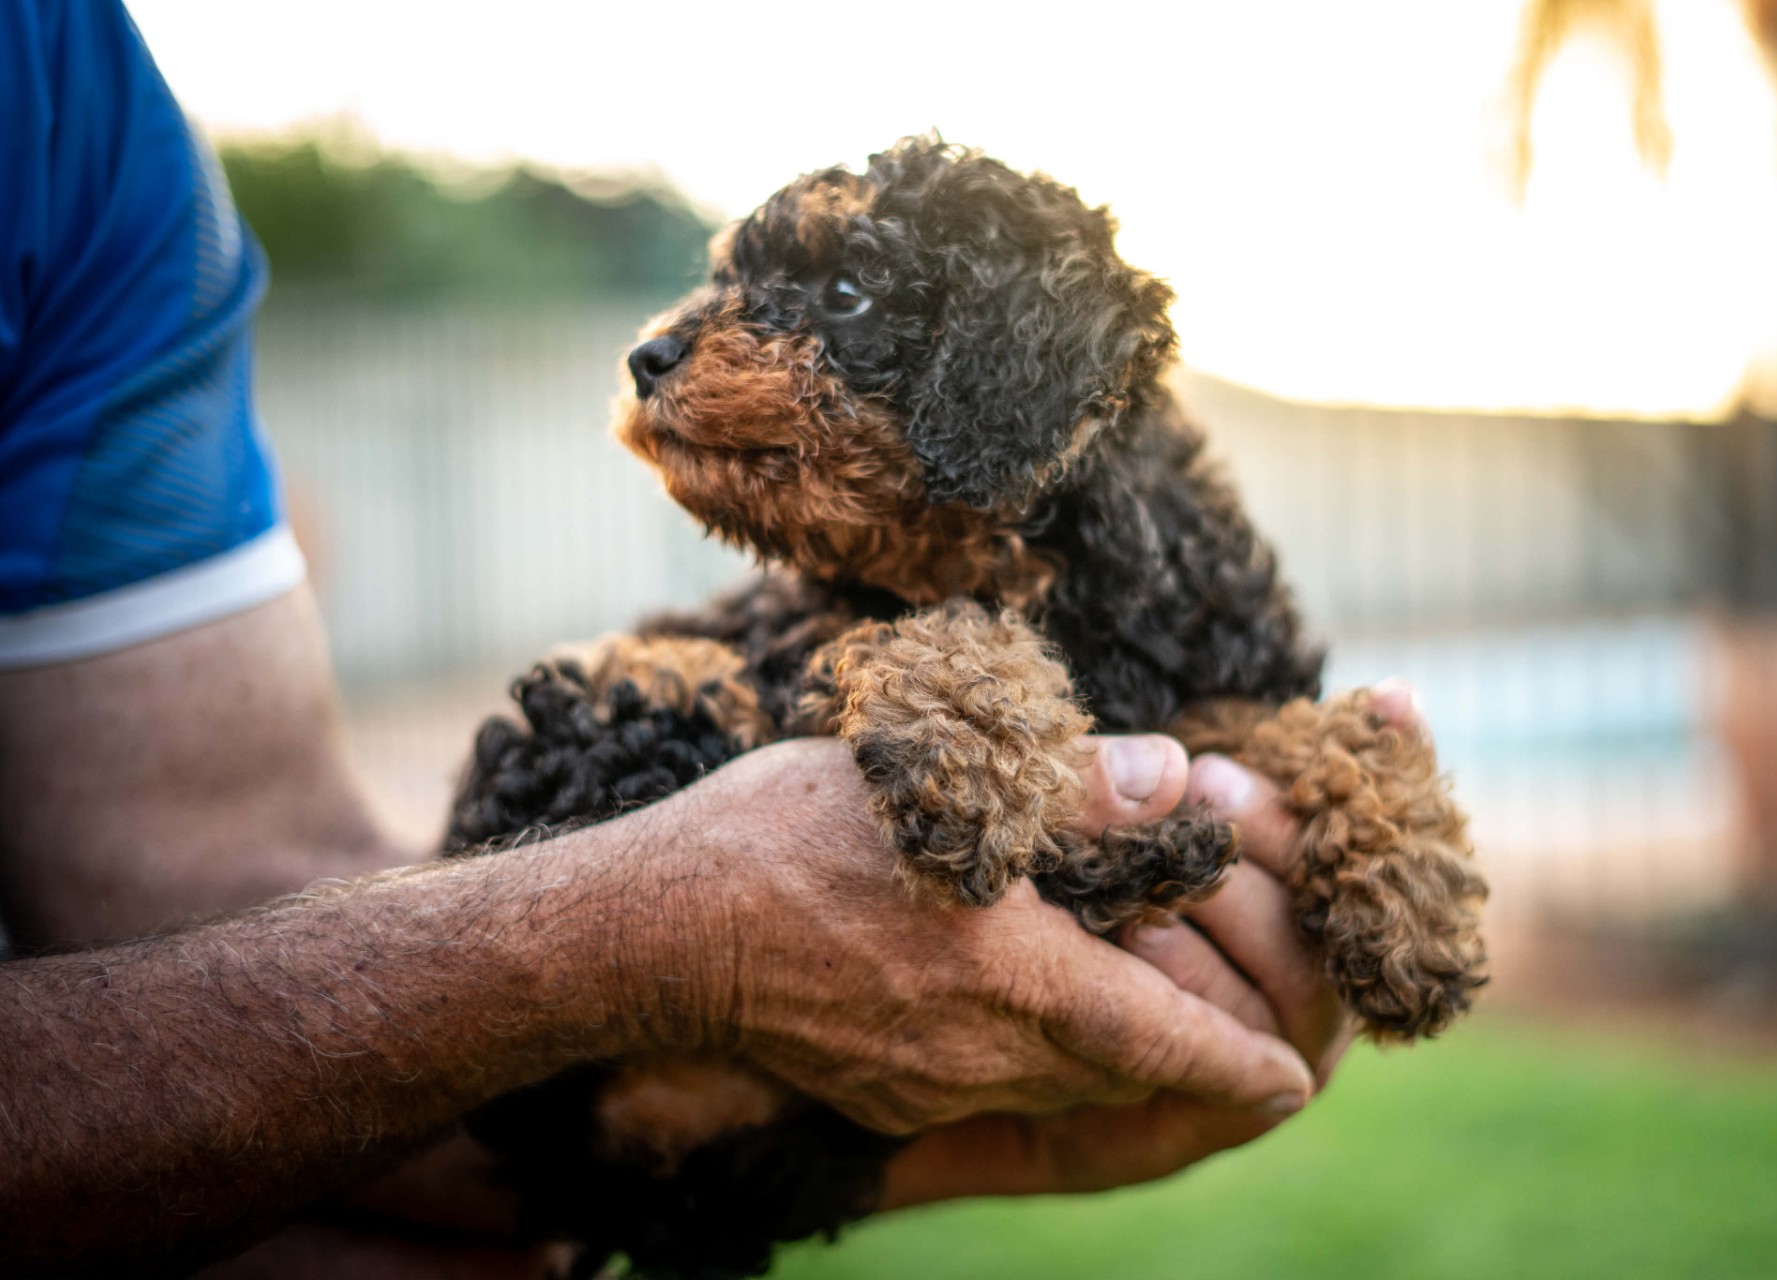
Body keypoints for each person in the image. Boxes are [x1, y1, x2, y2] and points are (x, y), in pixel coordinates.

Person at [0, 4, 1390, 1275]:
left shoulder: (71, 98)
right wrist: (650, 937)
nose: (670, 344)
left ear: (1016, 375)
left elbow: (202, 888)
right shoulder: (842, 633)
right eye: (728, 288)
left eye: (835, 303)